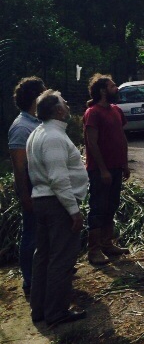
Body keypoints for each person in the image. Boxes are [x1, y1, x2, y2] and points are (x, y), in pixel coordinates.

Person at [27, 90, 88, 326]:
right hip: (57, 204)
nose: (68, 105)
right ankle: (56, 312)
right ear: (58, 110)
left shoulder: (39, 133)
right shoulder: (53, 137)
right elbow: (58, 179)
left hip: (44, 202)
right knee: (61, 260)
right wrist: (74, 211)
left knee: (43, 256)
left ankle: (40, 309)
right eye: (64, 102)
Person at [83, 74, 131, 265]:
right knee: (98, 208)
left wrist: (125, 164)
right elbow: (91, 143)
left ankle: (107, 243)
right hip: (99, 170)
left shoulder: (116, 110)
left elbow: (122, 137)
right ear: (103, 90)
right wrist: (103, 170)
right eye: (113, 86)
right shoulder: (93, 113)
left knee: (111, 205)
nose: (116, 88)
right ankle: (93, 251)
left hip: (116, 168)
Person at [7, 76, 46, 297]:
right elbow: (19, 168)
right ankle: (30, 281)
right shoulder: (21, 127)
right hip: (31, 188)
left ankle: (42, 275)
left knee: (42, 233)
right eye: (44, 91)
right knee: (31, 233)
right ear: (35, 97)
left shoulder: (37, 122)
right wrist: (25, 196)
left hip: (41, 186)